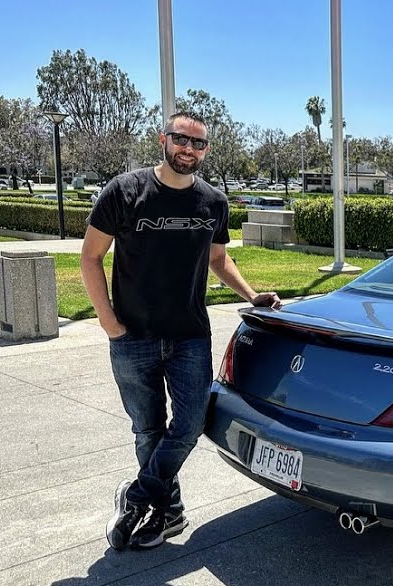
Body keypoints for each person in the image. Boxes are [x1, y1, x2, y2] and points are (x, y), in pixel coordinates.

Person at [81, 110, 283, 552]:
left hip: (190, 335)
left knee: (190, 424)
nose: (188, 149)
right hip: (132, 336)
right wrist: (109, 322)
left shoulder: (213, 202)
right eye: (180, 140)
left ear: (206, 150)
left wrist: (252, 296)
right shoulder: (125, 191)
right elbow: (90, 257)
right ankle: (168, 512)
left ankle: (137, 497)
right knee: (148, 428)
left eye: (197, 144)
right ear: (163, 140)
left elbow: (218, 259)